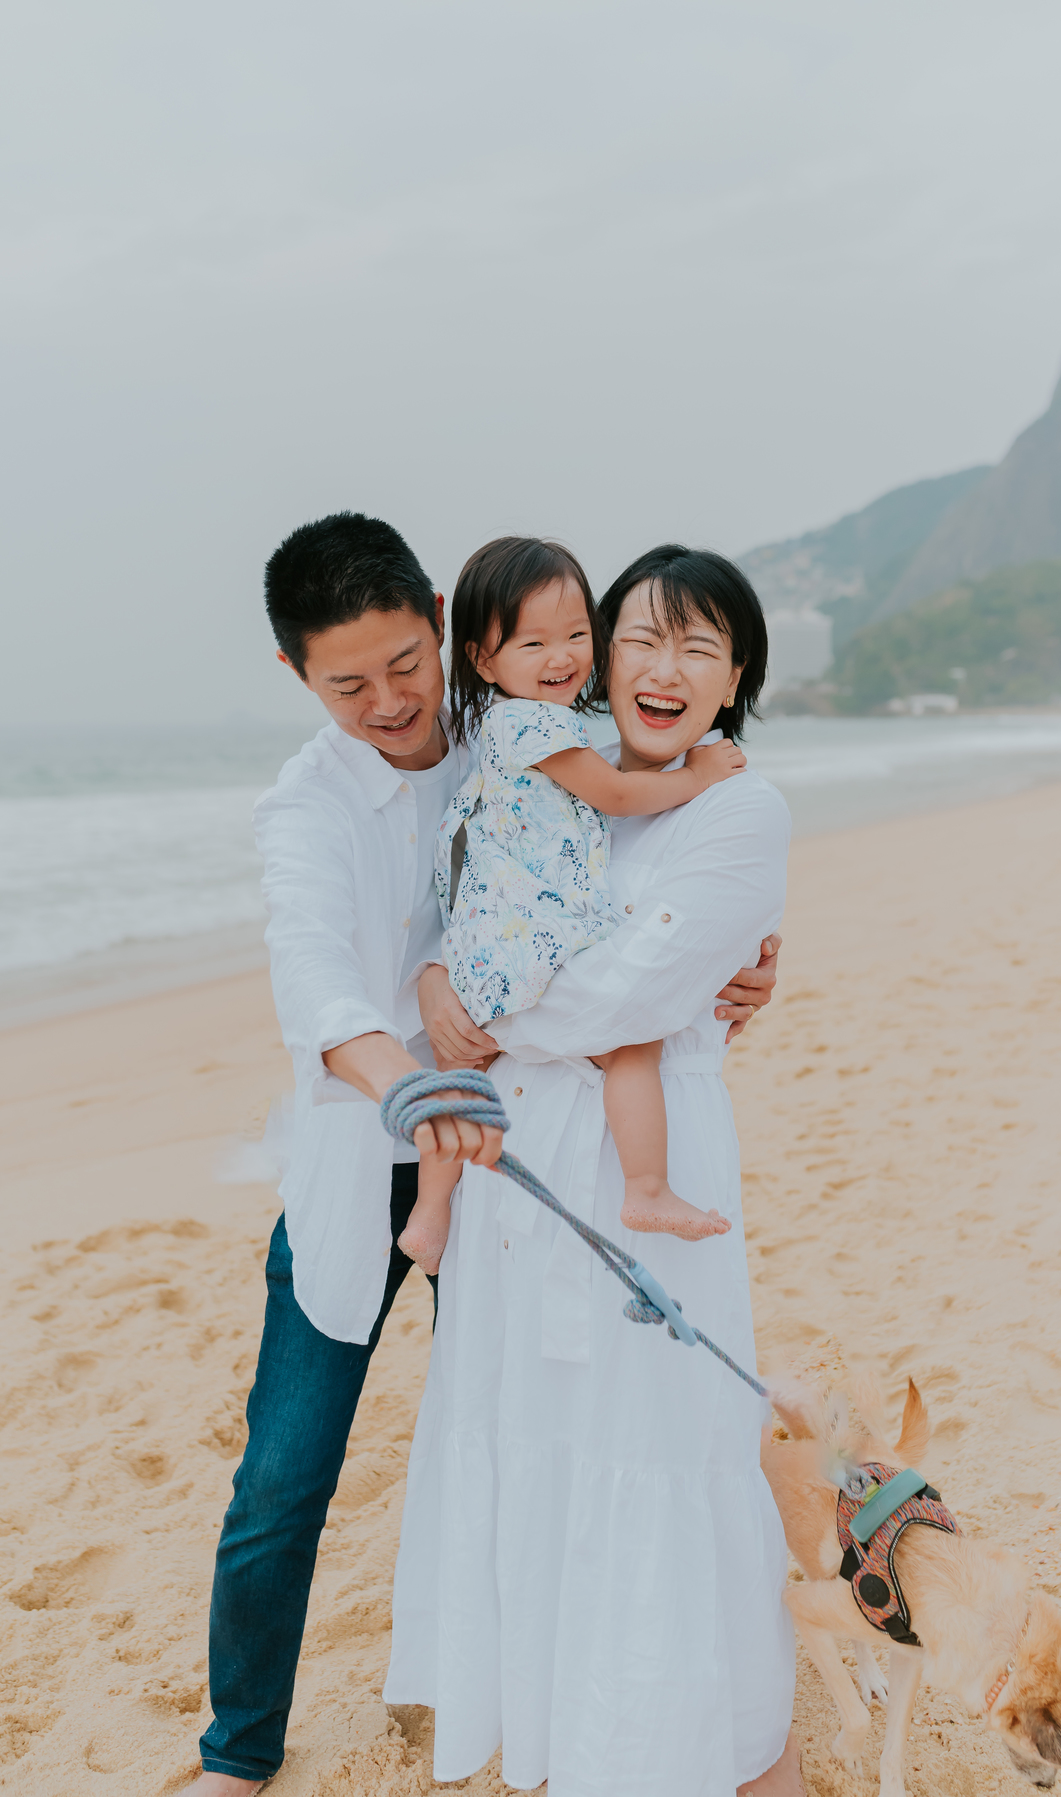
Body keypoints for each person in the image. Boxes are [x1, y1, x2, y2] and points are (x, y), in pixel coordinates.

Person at [185, 516, 780, 1797]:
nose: (392, 702)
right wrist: (416, 1084)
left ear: (444, 623)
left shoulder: (513, 727)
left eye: (408, 663)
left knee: (517, 1427)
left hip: (511, 1154)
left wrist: (743, 964)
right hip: (379, 1148)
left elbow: (632, 873)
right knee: (286, 1473)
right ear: (299, 675)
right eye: (351, 684)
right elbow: (319, 986)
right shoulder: (306, 805)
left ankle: (526, 1689)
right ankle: (238, 1748)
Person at [385, 545, 803, 1796]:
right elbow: (453, 915)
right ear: (599, 658)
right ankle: (570, 1733)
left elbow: (633, 987)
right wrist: (429, 980)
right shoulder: (573, 774)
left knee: (662, 1446)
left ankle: (706, 1744)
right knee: (535, 1436)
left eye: (699, 649)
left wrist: (485, 1004)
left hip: (641, 1157)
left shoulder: (739, 805)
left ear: (735, 682)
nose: (660, 670)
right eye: (640, 641)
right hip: (521, 1170)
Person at [397, 535, 745, 1276]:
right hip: (536, 939)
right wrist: (699, 775)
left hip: (485, 947)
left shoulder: (497, 727)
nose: (562, 657)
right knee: (635, 1041)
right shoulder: (536, 724)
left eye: (577, 635)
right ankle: (647, 1185)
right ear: (484, 660)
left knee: (467, 1073)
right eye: (533, 642)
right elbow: (617, 795)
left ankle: (430, 1212)